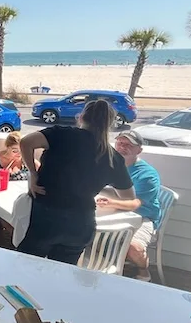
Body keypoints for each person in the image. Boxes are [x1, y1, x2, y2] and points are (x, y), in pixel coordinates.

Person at [17, 100, 135, 264]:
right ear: (110, 123)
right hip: (81, 224)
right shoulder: (112, 156)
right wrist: (96, 187)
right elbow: (128, 195)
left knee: (25, 267)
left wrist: (33, 174)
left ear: (81, 117)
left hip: (48, 218)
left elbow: (26, 142)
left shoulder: (62, 134)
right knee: (62, 274)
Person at [95, 131, 162, 280]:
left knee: (133, 247)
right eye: (120, 143)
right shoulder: (107, 164)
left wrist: (111, 202)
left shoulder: (147, 175)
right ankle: (105, 267)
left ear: (139, 150)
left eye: (128, 145)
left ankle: (144, 271)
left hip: (143, 216)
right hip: (112, 212)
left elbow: (135, 204)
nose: (122, 147)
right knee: (88, 233)